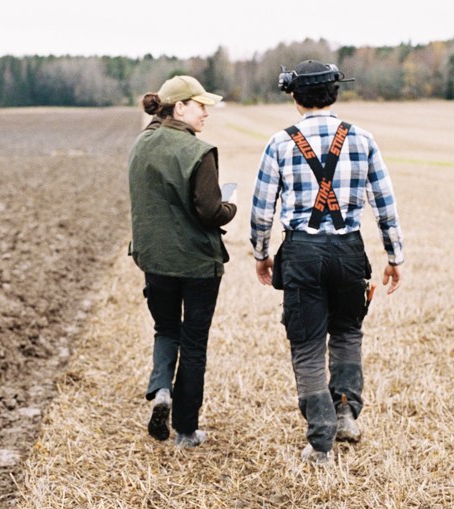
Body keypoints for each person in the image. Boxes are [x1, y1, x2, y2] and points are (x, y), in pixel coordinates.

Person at [250, 60, 404, 464]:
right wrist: (394, 256)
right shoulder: (363, 140)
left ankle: (321, 441)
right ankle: (346, 413)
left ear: (295, 96)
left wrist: (261, 254)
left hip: (301, 253)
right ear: (335, 93)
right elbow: (385, 207)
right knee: (348, 332)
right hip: (349, 251)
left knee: (307, 344)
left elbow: (262, 211)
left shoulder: (279, 143)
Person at [127, 75, 237, 448]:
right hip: (197, 264)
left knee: (166, 329)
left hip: (154, 260)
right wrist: (230, 206)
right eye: (200, 105)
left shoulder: (140, 144)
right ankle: (186, 431)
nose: (206, 112)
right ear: (179, 107)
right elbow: (210, 212)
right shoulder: (199, 152)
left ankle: (161, 391)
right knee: (193, 342)